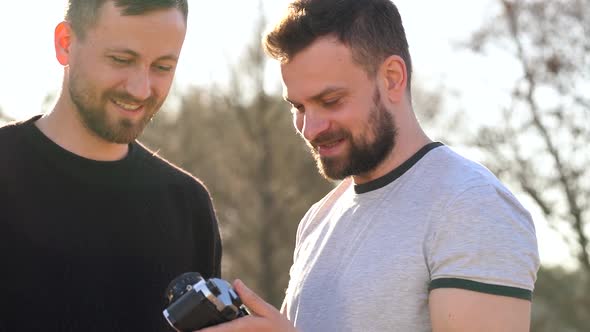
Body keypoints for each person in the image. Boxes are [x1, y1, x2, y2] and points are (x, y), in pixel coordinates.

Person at [198, 0, 540, 331]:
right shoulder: (318, 219)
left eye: (330, 101)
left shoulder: (472, 206)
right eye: (298, 107)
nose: (310, 128)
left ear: (392, 78)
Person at [0, 1, 222, 331]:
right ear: (66, 44)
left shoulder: (188, 206)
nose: (140, 88)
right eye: (121, 60)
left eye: (162, 67)